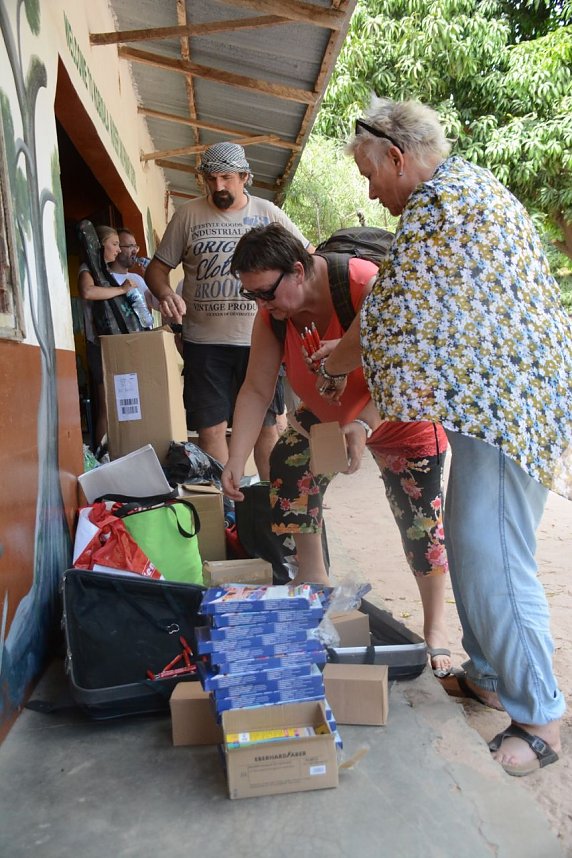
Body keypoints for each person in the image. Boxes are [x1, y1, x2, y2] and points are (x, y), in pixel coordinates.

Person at [318, 96, 572, 776]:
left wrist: (330, 362)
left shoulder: (440, 205)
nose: (371, 190)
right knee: (470, 541)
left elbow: (387, 316)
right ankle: (490, 674)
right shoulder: (468, 191)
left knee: (492, 554)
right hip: (508, 401)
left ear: (397, 156)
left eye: (372, 174)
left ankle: (540, 713)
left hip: (507, 407)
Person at [220, 223, 452, 677]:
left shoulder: (364, 284)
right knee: (289, 460)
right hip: (330, 417)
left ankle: (436, 631)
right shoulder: (273, 315)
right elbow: (255, 388)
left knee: (421, 525)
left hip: (401, 417)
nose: (261, 305)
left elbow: (412, 370)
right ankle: (315, 580)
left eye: (266, 292)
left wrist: (364, 425)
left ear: (299, 270)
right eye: (253, 297)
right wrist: (234, 456)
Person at [145, 142, 313, 480]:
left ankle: (272, 502)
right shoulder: (189, 215)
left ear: (245, 177)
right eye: (211, 179)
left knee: (266, 429)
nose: (218, 186)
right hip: (204, 343)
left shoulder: (268, 214)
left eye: (226, 178)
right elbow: (156, 270)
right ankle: (227, 510)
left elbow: (310, 259)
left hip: (260, 342)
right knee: (211, 429)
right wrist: (165, 294)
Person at [78, 225, 148, 448]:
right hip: (100, 346)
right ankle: (101, 454)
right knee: (107, 406)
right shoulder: (88, 268)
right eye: (115, 244)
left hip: (119, 346)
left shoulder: (104, 272)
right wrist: (121, 290)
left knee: (126, 404)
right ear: (99, 246)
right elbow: (89, 292)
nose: (118, 250)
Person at [110, 228, 155, 327]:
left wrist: (153, 277)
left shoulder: (137, 278)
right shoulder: (108, 279)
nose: (135, 251)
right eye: (130, 246)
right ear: (117, 248)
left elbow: (156, 304)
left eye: (135, 247)